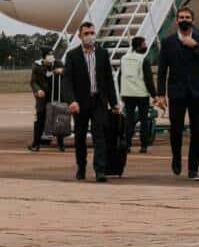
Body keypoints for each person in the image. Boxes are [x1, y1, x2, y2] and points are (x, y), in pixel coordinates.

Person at [156, 6, 199, 181]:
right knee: (176, 130)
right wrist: (161, 94)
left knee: (197, 132)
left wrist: (196, 46)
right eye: (181, 17)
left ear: (193, 20)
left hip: (197, 92)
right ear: (176, 21)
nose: (184, 20)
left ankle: (193, 169)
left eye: (187, 17)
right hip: (176, 93)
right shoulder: (168, 42)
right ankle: (176, 158)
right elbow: (162, 70)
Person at [62, 22, 118, 182]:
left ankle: (100, 170)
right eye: (86, 33)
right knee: (80, 137)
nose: (89, 36)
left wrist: (114, 102)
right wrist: (71, 100)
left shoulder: (102, 53)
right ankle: (81, 166)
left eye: (92, 33)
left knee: (99, 135)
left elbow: (108, 79)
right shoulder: (72, 55)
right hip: (80, 103)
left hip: (98, 101)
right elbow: (67, 81)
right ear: (80, 36)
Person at [120, 36, 158, 154]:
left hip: (127, 93)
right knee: (144, 120)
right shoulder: (143, 60)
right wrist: (154, 95)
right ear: (139, 46)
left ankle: (127, 145)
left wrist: (122, 91)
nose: (145, 46)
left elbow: (121, 75)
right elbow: (148, 79)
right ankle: (143, 145)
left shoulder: (124, 59)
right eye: (144, 44)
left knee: (129, 120)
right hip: (141, 93)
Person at [28, 48, 66, 151]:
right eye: (49, 54)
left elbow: (67, 72)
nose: (51, 56)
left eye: (52, 54)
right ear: (44, 56)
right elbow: (33, 81)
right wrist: (38, 90)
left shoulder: (58, 63)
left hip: (56, 95)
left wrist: (62, 71)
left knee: (58, 119)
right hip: (43, 97)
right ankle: (36, 144)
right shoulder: (37, 66)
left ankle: (61, 144)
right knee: (40, 119)